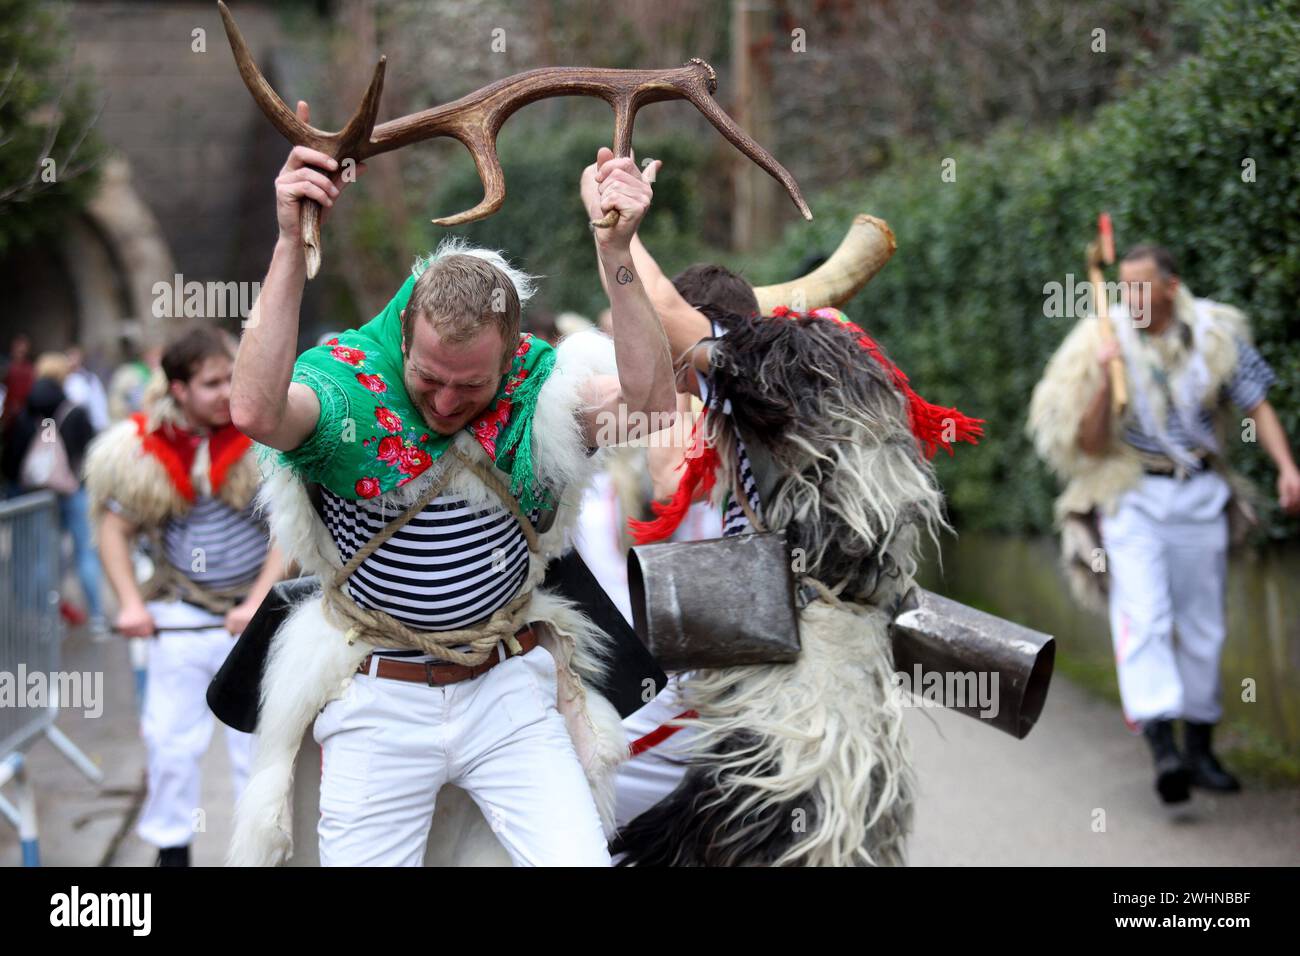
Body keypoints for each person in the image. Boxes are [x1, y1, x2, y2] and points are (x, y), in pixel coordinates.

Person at [225, 107, 676, 867]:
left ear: (510, 359)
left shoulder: (541, 394)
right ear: (404, 337)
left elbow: (653, 405)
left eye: (470, 386)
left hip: (509, 692)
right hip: (375, 696)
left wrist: (617, 251)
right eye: (428, 378)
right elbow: (256, 411)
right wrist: (286, 243)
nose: (442, 402)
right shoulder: (348, 389)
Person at [580, 148, 983, 865]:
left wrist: (618, 230)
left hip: (798, 684)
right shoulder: (814, 382)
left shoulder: (765, 372)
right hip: (811, 667)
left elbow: (674, 319)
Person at [1028, 243, 1300, 804]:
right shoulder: (1101, 341)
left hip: (1200, 492)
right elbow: (1088, 443)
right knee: (1145, 615)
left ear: (1171, 286)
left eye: (1144, 286)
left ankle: (1200, 748)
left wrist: (1287, 468)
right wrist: (1106, 379)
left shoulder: (1215, 335)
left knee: (1203, 625)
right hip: (1133, 498)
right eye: (1125, 287)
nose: (1133, 298)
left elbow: (1257, 403)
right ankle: (1163, 749)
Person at [84, 325, 286, 866]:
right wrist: (130, 603)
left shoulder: (265, 437)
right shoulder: (146, 450)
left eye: (230, 379)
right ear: (179, 390)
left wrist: (257, 604)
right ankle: (172, 849)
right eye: (211, 383)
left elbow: (290, 531)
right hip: (182, 614)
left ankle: (258, 855)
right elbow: (112, 528)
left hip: (253, 621)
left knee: (257, 750)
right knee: (170, 744)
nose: (225, 392)